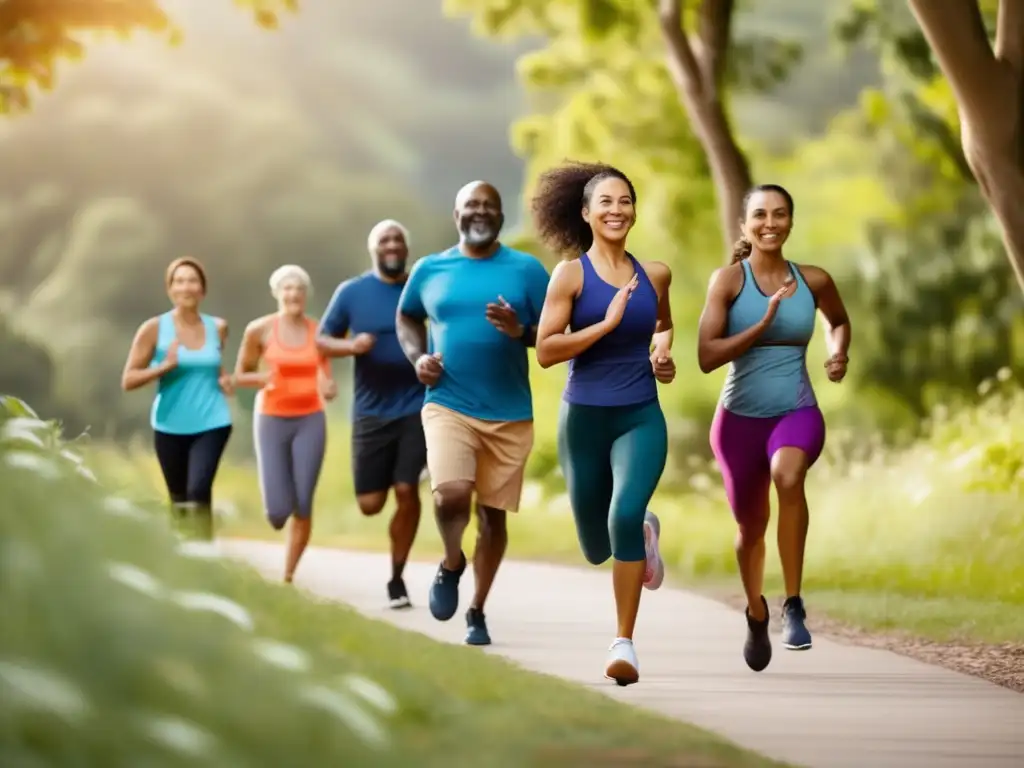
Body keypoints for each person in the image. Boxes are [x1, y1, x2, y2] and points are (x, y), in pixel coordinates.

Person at [529, 161, 675, 686]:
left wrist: (662, 355)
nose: (617, 210)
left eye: (626, 201)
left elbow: (663, 326)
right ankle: (642, 533)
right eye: (606, 203)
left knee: (622, 513)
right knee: (596, 546)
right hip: (584, 419)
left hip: (640, 414)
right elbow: (546, 351)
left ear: (634, 211)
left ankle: (623, 643)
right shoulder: (570, 275)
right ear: (587, 214)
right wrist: (606, 324)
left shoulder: (655, 274)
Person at [697, 183, 851, 672]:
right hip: (737, 422)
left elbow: (839, 321)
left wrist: (837, 351)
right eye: (760, 215)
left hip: (796, 410)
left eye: (779, 214)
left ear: (790, 222)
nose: (770, 223)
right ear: (745, 226)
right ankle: (756, 611)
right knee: (749, 528)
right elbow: (706, 356)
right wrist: (762, 323)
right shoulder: (727, 282)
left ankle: (794, 603)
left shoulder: (815, 280)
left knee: (789, 476)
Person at [396, 181, 550, 646]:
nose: (479, 212)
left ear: (501, 216)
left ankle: (478, 609)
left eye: (489, 206)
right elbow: (407, 317)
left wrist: (521, 329)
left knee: (493, 518)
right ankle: (450, 562)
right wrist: (417, 357)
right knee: (450, 495)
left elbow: (557, 333)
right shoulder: (430, 268)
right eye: (471, 206)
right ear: (456, 214)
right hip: (448, 402)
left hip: (509, 411)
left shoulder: (527, 270)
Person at [317, 220, 427, 609]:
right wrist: (349, 348)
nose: (393, 245)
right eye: (385, 240)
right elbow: (322, 340)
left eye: (399, 238)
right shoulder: (352, 292)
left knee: (406, 489)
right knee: (370, 504)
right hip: (370, 411)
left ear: (406, 247)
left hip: (417, 404)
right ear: (373, 249)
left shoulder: (421, 285)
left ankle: (397, 578)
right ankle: (394, 561)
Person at [121, 257, 234, 541]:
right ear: (170, 289)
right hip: (169, 424)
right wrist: (163, 367)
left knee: (198, 491)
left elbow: (213, 365)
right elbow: (128, 380)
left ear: (202, 290)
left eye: (192, 280)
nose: (186, 286)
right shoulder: (154, 329)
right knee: (179, 500)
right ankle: (186, 564)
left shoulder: (218, 327)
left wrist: (225, 380)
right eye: (179, 281)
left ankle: (206, 563)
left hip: (213, 421)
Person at [234, 265, 335, 584]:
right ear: (277, 293)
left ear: (305, 295)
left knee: (303, 501)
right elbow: (241, 374)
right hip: (272, 419)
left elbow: (326, 375)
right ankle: (279, 508)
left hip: (310, 418)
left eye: (299, 289)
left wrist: (328, 386)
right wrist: (261, 378)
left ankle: (288, 577)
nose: (293, 294)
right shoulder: (259, 330)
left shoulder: (319, 331)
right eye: (287, 289)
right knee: (277, 514)